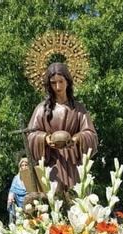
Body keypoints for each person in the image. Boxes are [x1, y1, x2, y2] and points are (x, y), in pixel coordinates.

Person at [27, 62, 98, 190]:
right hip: (52, 165)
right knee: (54, 200)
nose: (58, 87)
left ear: (68, 81)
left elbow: (90, 134)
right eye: (53, 83)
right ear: (49, 85)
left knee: (77, 200)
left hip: (73, 164)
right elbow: (31, 134)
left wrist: (76, 139)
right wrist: (45, 139)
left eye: (61, 81)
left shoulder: (78, 109)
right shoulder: (42, 109)